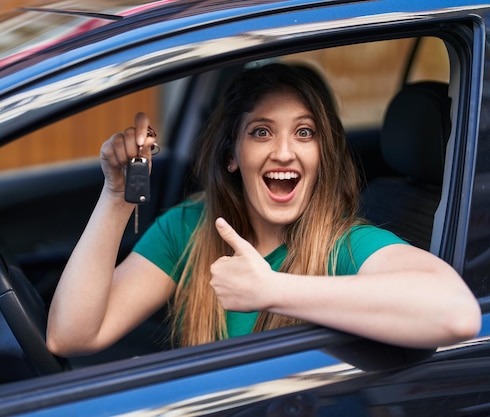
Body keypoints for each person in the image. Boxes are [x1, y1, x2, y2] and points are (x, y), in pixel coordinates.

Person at [46, 63, 481, 357]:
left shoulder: (344, 245)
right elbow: (72, 335)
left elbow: (457, 313)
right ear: (232, 154)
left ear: (322, 154)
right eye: (261, 132)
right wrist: (119, 195)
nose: (285, 152)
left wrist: (273, 289)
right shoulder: (191, 226)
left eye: (305, 133)